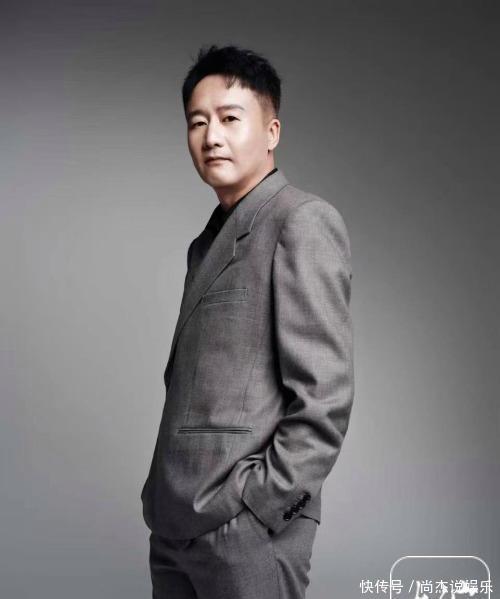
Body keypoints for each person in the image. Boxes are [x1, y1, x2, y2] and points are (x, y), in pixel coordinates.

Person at [140, 44, 355, 599]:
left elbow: (325, 397)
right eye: (197, 122)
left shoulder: (300, 221)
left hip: (245, 532)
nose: (211, 136)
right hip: (173, 523)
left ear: (271, 131)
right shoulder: (205, 243)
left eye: (230, 119)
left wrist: (264, 508)